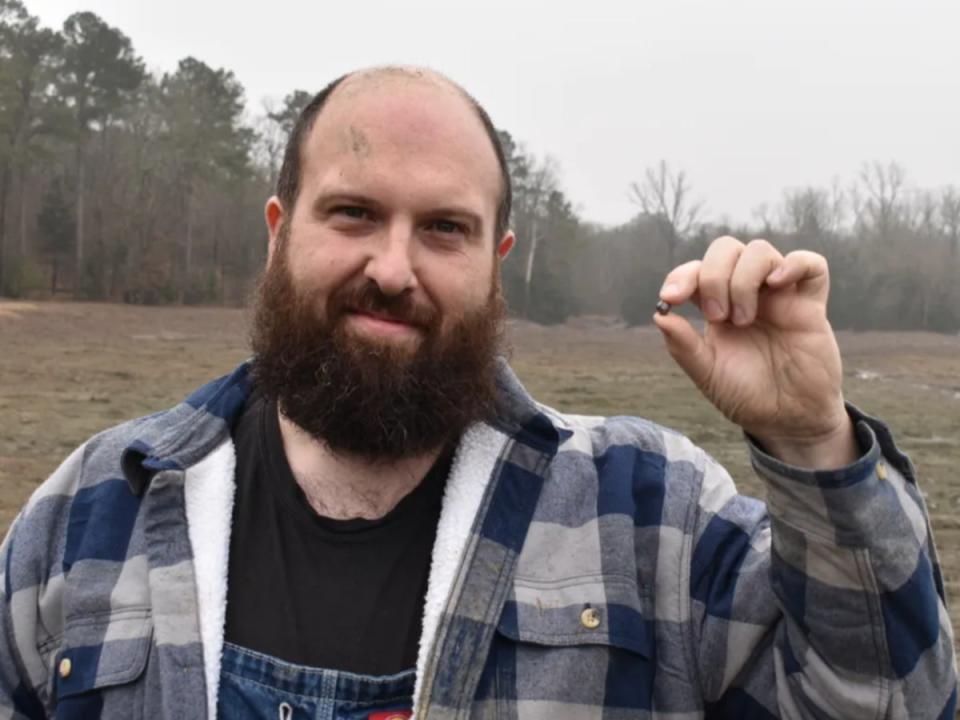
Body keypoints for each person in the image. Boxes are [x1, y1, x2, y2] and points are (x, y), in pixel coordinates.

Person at [0, 66, 955, 720]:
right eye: (354, 213)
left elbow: (885, 701)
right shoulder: (94, 516)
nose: (393, 267)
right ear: (278, 231)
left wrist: (811, 440)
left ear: (497, 265)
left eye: (445, 229)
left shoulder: (647, 515)